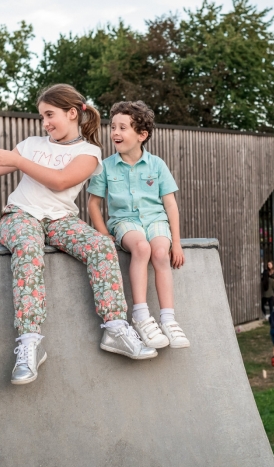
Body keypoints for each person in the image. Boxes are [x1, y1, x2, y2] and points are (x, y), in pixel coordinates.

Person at [0, 84, 157, 386]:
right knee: (28, 247)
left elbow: (60, 182)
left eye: (50, 115)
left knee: (100, 245)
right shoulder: (31, 144)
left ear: (72, 113)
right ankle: (30, 341)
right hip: (20, 214)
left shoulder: (90, 153)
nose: (45, 123)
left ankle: (115, 327)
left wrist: (18, 161)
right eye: (42, 116)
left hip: (61, 220)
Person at [88, 100, 189, 349]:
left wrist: (176, 243)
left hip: (156, 220)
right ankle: (141, 316)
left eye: (123, 128)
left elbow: (170, 205)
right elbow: (93, 204)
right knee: (142, 249)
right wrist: (103, 234)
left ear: (142, 135)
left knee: (160, 253)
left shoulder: (157, 165)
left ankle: (168, 320)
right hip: (124, 222)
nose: (115, 133)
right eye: (113, 127)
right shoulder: (105, 166)